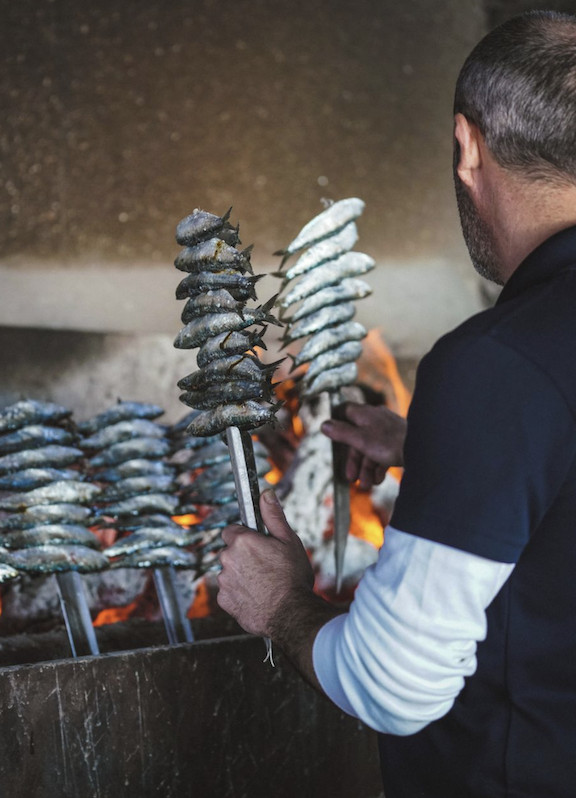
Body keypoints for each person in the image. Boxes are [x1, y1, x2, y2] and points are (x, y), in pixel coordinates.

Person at [216, 10, 576, 797]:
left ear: (466, 145)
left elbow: (394, 683)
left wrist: (280, 603)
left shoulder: (500, 363)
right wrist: (440, 447)